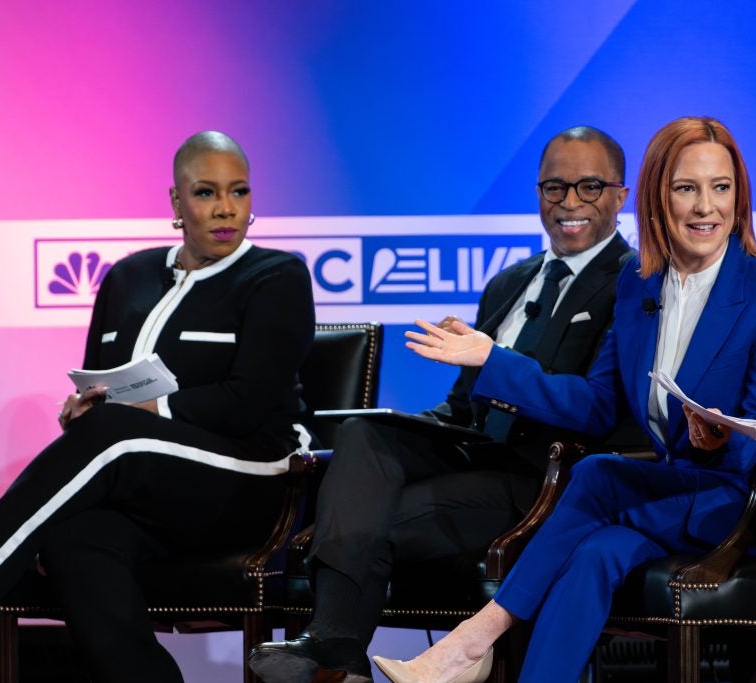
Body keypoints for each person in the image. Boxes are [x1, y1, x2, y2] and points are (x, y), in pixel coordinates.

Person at [374, 116, 756, 683]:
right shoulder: (639, 286)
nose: (704, 208)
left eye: (721, 188)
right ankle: (487, 657)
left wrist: (721, 438)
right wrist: (492, 359)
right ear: (655, 197)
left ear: (739, 198)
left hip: (750, 504)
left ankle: (472, 642)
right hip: (672, 500)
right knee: (595, 555)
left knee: (597, 476)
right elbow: (596, 405)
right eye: (686, 188)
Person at [248, 126, 647, 683]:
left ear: (620, 196)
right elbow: (463, 406)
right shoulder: (512, 282)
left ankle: (335, 649)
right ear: (538, 193)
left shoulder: (637, 284)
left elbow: (598, 410)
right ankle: (336, 648)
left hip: (540, 479)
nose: (570, 204)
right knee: (365, 434)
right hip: (475, 454)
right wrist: (410, 425)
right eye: (555, 188)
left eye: (590, 187)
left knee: (363, 521)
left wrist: (495, 361)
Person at [0, 131, 316, 682]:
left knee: (118, 430)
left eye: (238, 192)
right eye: (206, 193)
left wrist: (139, 416)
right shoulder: (127, 276)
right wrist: (85, 411)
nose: (225, 210)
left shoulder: (276, 276)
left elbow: (247, 404)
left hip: (253, 476)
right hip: (155, 486)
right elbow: (103, 383)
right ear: (176, 202)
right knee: (76, 537)